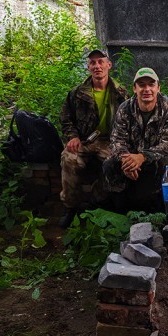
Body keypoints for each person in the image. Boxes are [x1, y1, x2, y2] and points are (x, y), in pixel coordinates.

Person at [58, 47, 128, 228]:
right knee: (69, 159)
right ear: (88, 67)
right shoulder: (78, 93)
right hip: (85, 140)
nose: (97, 66)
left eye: (100, 62)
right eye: (92, 63)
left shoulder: (120, 92)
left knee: (118, 164)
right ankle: (71, 207)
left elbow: (128, 120)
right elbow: (65, 118)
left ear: (108, 65)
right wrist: (72, 136)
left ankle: (96, 201)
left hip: (110, 141)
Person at [103, 67, 168, 212]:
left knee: (167, 164)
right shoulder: (125, 108)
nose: (147, 89)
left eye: (151, 84)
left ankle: (164, 212)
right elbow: (117, 140)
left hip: (160, 155)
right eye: (142, 85)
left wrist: (143, 156)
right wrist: (126, 161)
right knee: (109, 164)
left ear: (158, 88)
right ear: (134, 88)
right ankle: (120, 213)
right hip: (132, 156)